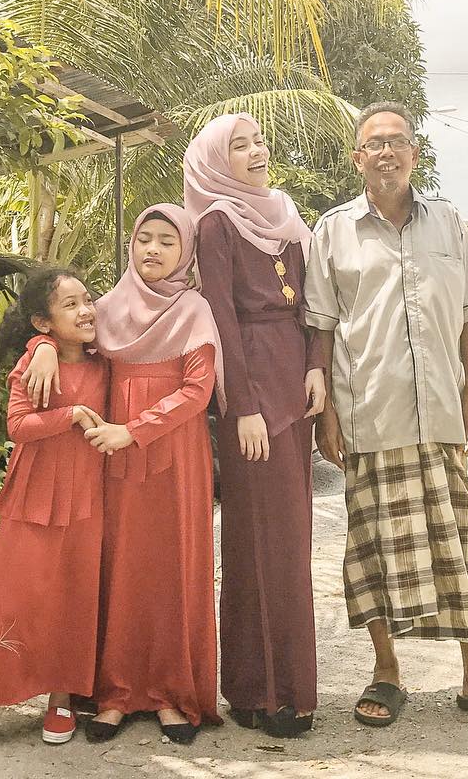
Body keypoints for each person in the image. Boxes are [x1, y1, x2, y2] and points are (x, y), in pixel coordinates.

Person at [304, 101, 468, 731]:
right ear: (358, 158)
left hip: (438, 417)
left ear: (414, 154)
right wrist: (324, 414)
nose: (386, 152)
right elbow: (321, 328)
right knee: (372, 550)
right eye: (373, 143)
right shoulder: (333, 231)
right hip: (367, 416)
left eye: (397, 142)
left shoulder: (449, 223)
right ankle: (386, 673)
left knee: (456, 545)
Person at [21, 206, 223, 744]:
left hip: (173, 454)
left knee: (172, 566)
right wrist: (39, 347)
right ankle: (115, 692)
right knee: (120, 568)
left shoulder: (195, 310)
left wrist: (134, 430)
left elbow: (197, 391)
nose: (152, 250)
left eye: (167, 242)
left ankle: (171, 693)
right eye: (144, 240)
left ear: (186, 254)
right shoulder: (106, 308)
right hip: (112, 459)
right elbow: (62, 335)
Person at [183, 113, 325, 738]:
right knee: (258, 545)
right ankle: (258, 690)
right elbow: (219, 319)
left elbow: (319, 301)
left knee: (293, 545)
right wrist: (239, 406)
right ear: (216, 162)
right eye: (239, 146)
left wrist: (318, 364)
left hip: (297, 390)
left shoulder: (289, 219)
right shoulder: (216, 223)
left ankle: (292, 685)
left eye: (259, 141)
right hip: (253, 403)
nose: (256, 152)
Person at [0, 268, 107, 759]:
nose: (85, 310)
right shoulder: (34, 362)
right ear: (43, 321)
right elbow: (19, 425)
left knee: (74, 595)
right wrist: (73, 412)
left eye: (88, 300)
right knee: (14, 600)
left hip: (87, 495)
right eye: (70, 305)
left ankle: (61, 699)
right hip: (35, 492)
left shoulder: (105, 363)